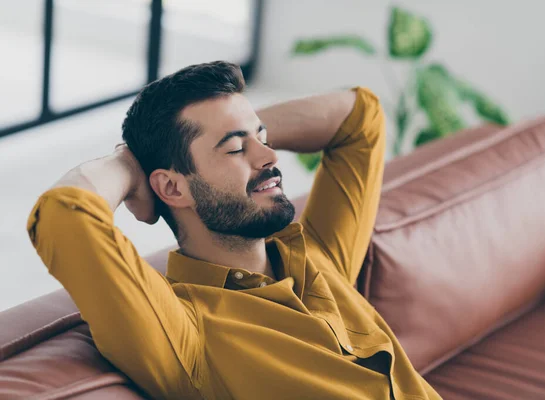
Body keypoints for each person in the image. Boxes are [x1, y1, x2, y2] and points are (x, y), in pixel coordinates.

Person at [27, 61, 440, 400]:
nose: (270, 155)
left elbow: (360, 118)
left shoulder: (318, 256)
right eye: (236, 149)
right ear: (171, 187)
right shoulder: (187, 333)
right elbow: (66, 218)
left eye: (262, 136)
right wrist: (128, 165)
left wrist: (243, 131)